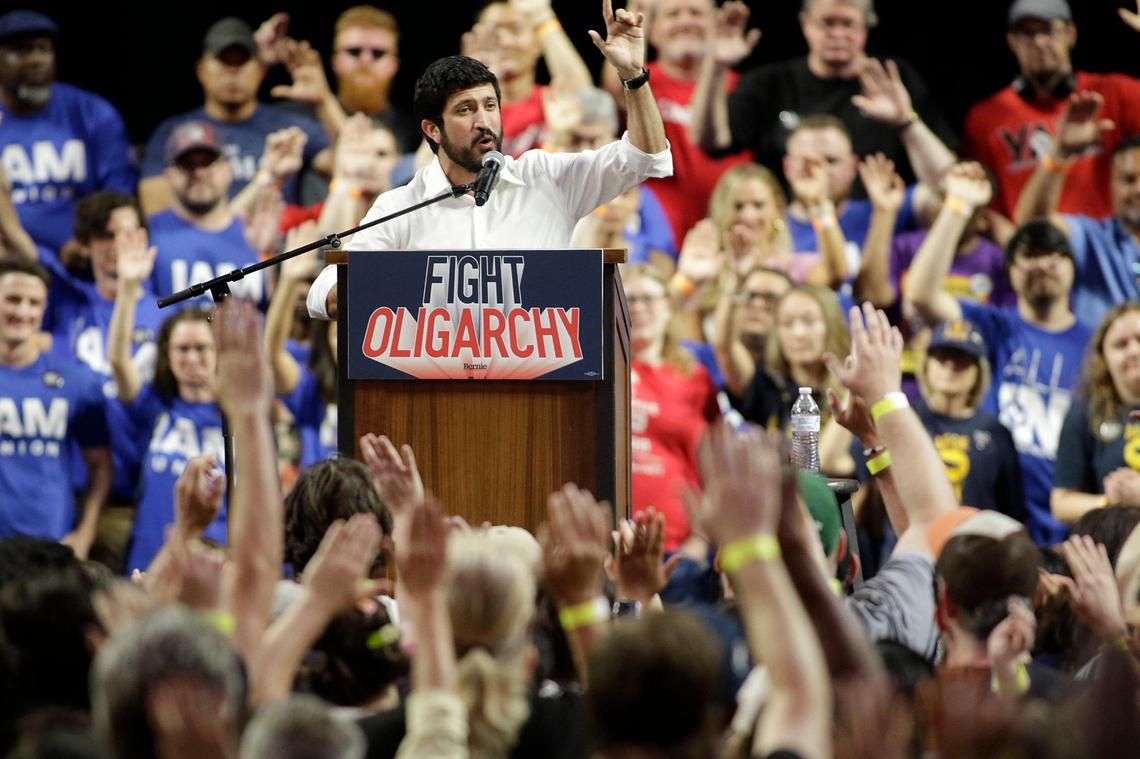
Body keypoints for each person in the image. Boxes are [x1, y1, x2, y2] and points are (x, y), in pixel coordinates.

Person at [308, 2, 672, 320]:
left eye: (490, 105)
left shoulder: (547, 179)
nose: (484, 121)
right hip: (438, 378)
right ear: (433, 130)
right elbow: (324, 292)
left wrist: (633, 76)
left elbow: (646, 156)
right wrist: (417, 289)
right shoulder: (402, 206)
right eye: (465, 110)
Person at [906, 161, 1093, 545]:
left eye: (1054, 253)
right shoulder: (994, 325)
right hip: (993, 515)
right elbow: (922, 293)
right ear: (1010, 270)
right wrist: (957, 207)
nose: (1042, 263)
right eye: (1028, 254)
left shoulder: (1097, 345)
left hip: (1069, 525)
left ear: (1073, 268)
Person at [690, 0, 955, 189]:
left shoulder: (892, 80)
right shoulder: (770, 83)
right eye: (827, 23)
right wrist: (715, 65)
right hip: (788, 231)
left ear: (865, 28)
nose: (838, 34)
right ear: (805, 24)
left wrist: (905, 121)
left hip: (877, 223)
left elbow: (947, 181)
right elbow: (708, 141)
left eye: (848, 24)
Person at [108, 241, 228, 573]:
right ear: (167, 355)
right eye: (182, 349)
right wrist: (127, 289)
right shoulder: (154, 405)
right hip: (150, 559)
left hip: (215, 561)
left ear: (218, 351)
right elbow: (118, 361)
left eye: (201, 348)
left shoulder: (236, 417)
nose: (192, 358)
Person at [962, 0, 1140, 219]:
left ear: (1070, 34)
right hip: (1029, 237)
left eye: (1049, 31)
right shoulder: (985, 118)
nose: (1039, 42)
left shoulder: (1115, 93)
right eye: (1027, 33)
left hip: (1108, 237)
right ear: (1012, 42)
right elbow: (987, 208)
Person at [600, 0, 753, 251]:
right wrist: (635, 17)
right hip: (653, 240)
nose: (685, 21)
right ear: (652, 29)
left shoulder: (744, 89)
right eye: (673, 14)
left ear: (716, 22)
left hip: (729, 237)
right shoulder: (637, 83)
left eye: (696, 13)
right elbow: (613, 93)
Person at [138, 16, 330, 215]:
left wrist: (324, 101)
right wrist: (268, 176)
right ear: (202, 71)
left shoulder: (290, 128)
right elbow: (158, 217)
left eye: (241, 61)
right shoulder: (175, 133)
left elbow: (348, 164)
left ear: (260, 70)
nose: (233, 71)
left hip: (283, 234)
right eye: (224, 61)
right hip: (201, 234)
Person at [0, 257, 111, 558]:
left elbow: (101, 465)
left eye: (34, 302)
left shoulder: (76, 382)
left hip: (50, 542)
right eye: (13, 299)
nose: (23, 311)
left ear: (44, 309)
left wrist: (85, 533)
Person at [0, 10, 136, 254]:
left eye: (44, 49)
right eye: (21, 50)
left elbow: (118, 197)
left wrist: (87, 243)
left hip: (83, 259)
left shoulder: (92, 112)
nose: (35, 60)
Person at [1014, 92, 1140, 328]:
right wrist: (1060, 152)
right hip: (1102, 351)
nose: (1138, 189)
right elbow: (1033, 224)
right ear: (1111, 186)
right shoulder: (1094, 239)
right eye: (1129, 179)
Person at [626, 264, 719, 552]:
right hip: (612, 543)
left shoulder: (695, 378)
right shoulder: (599, 375)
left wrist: (701, 540)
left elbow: (714, 468)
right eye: (630, 299)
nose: (638, 307)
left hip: (680, 547)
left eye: (648, 299)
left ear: (668, 307)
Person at [146, 120, 265, 306]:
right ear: (169, 175)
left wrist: (268, 251)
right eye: (187, 165)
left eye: (208, 163)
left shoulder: (257, 235)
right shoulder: (148, 233)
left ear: (229, 170)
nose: (199, 173)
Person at [461, 0, 593, 157]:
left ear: (538, 43)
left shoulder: (553, 102)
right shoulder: (466, 112)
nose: (505, 42)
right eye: (495, 33)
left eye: (515, 29)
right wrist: (470, 79)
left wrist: (543, 19)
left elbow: (584, 97)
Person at [1053, 302, 1140, 523]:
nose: (1133, 351)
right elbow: (1061, 503)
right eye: (1121, 345)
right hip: (1110, 539)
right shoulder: (1085, 412)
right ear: (1104, 358)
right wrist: (1109, 502)